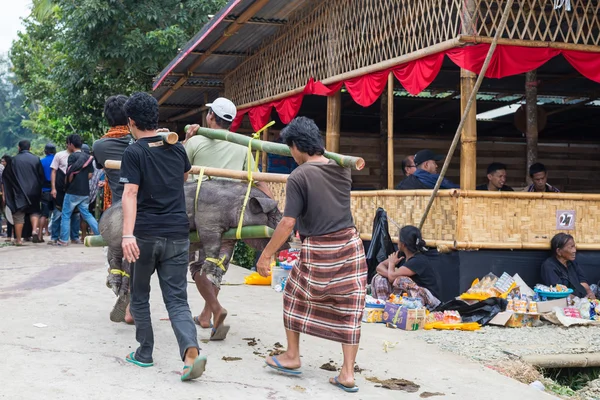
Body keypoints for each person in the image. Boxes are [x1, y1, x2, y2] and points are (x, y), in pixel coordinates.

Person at [256, 117, 367, 393]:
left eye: (290, 148)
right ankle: (348, 373)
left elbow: (288, 222)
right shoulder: (342, 169)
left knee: (293, 294)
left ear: (295, 146)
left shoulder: (299, 176)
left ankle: (292, 356)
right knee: (350, 307)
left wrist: (266, 255)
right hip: (351, 245)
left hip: (321, 247)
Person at [120, 92, 205, 380]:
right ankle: (190, 352)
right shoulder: (177, 149)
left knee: (140, 295)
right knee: (178, 300)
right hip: (177, 234)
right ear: (155, 118)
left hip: (145, 235)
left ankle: (144, 353)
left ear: (131, 122)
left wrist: (127, 235)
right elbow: (182, 179)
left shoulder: (134, 152)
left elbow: (130, 193)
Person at [184, 97, 271, 338]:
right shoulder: (243, 147)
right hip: (231, 214)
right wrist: (274, 210)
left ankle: (215, 309)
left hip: (201, 215)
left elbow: (179, 173)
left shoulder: (196, 142)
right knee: (217, 266)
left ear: (211, 116)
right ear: (230, 123)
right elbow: (259, 180)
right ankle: (205, 316)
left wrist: (186, 141)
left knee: (199, 265)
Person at [371, 226, 442, 309]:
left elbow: (392, 277)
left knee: (401, 280)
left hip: (429, 300)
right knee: (380, 278)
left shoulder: (418, 260)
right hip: (410, 297)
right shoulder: (401, 255)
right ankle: (385, 308)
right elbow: (379, 267)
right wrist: (391, 274)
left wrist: (391, 265)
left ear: (403, 244)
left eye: (399, 239)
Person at [58, 134, 99, 246]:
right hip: (85, 191)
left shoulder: (72, 157)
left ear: (71, 144)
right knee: (87, 214)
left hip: (72, 191)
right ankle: (99, 235)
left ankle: (64, 240)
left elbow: (70, 173)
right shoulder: (88, 158)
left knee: (66, 215)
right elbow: (90, 175)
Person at [93, 95, 133, 208]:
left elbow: (100, 166)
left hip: (117, 208)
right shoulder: (140, 140)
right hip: (146, 206)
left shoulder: (98, 146)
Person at [6, 140, 45, 245]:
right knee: (35, 211)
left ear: (19, 148)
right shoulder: (36, 159)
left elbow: (7, 177)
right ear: (30, 148)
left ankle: (18, 240)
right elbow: (41, 176)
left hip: (19, 192)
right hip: (34, 190)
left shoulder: (13, 160)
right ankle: (33, 230)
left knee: (18, 215)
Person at [541, 233, 594, 299]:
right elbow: (559, 293)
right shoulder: (549, 266)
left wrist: (589, 293)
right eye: (571, 247)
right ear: (559, 251)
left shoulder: (572, 263)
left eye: (574, 246)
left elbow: (584, 283)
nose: (574, 250)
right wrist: (579, 300)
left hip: (581, 300)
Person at [49, 141, 81, 245]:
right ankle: (54, 236)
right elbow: (53, 171)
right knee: (58, 213)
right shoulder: (59, 155)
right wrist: (53, 188)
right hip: (60, 188)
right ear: (68, 144)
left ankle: (74, 237)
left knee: (76, 214)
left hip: (74, 188)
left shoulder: (79, 155)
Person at [80, 144, 103, 242]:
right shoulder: (97, 164)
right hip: (94, 192)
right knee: (91, 214)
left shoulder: (81, 163)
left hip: (82, 191)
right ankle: (94, 233)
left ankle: (84, 235)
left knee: (83, 215)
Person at [39, 143, 57, 242]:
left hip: (44, 190)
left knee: (44, 214)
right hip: (56, 190)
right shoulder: (57, 160)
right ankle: (54, 236)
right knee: (57, 212)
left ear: (45, 151)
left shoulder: (41, 161)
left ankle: (40, 234)